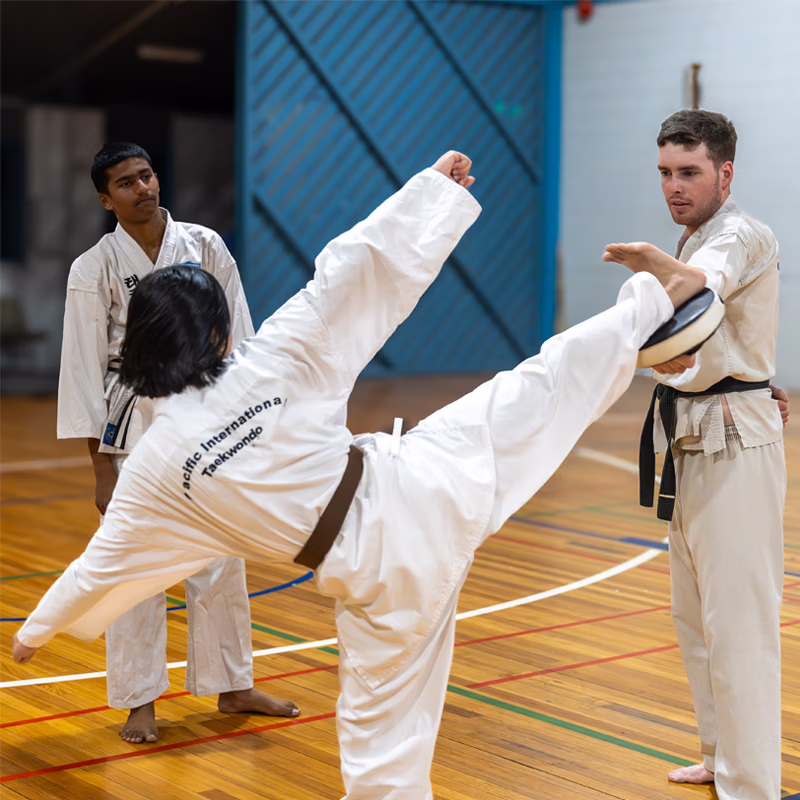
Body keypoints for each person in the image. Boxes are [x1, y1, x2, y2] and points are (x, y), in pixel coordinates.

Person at [15, 150, 708, 799]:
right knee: (538, 388)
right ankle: (652, 308)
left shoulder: (157, 468)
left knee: (381, 750)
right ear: (216, 334)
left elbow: (99, 569)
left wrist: (36, 633)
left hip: (380, 578)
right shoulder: (270, 359)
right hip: (424, 485)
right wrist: (429, 194)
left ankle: (651, 327)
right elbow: (354, 272)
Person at [56, 142, 298, 744]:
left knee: (220, 551)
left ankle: (232, 683)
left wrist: (249, 424)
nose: (143, 188)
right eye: (127, 182)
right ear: (105, 198)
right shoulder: (93, 268)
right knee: (138, 561)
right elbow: (85, 372)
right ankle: (140, 699)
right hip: (132, 417)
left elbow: (238, 335)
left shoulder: (205, 246)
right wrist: (101, 469)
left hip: (205, 408)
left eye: (147, 175)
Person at [603, 109, 786, 800]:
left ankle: (752, 785)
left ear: (725, 172)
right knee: (698, 622)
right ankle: (720, 758)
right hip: (691, 432)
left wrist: (657, 265)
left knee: (739, 626)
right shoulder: (696, 233)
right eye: (665, 173)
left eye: (689, 172)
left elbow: (703, 281)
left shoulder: (734, 234)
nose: (673, 186)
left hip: (735, 440)